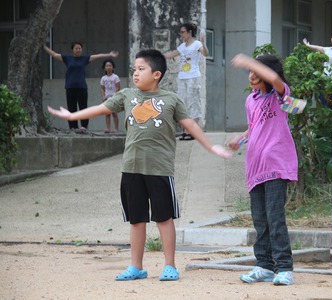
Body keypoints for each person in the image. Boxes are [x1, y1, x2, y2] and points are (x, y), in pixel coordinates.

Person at [47, 49, 232, 282]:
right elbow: (100, 109)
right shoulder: (126, 95)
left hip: (160, 169)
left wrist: (211, 146)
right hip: (131, 167)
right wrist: (73, 116)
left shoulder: (171, 100)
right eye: (134, 69)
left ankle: (170, 266)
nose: (135, 73)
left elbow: (192, 127)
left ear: (156, 74)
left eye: (141, 69)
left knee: (164, 218)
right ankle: (136, 267)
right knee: (136, 219)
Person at [227, 53, 298, 286]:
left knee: (275, 217)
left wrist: (250, 61)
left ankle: (284, 267)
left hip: (277, 166)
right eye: (250, 72)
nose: (252, 76)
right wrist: (241, 138)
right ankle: (264, 265)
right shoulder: (251, 100)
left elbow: (276, 81)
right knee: (260, 220)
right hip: (255, 168)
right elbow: (253, 126)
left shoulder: (280, 95)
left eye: (257, 72)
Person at [43, 42, 119, 132]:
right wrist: (44, 47)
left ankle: (84, 127)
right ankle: (73, 127)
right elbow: (55, 55)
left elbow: (97, 56)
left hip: (82, 87)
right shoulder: (68, 58)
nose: (78, 50)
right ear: (72, 50)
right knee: (72, 108)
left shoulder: (84, 59)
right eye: (76, 48)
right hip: (70, 87)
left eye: (80, 48)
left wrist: (109, 54)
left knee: (83, 107)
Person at [164, 22, 209, 141]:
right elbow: (173, 53)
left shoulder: (197, 44)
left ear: (190, 32)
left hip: (193, 77)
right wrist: (158, 55)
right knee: (183, 104)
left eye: (183, 32)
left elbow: (205, 53)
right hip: (182, 77)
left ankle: (193, 131)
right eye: (180, 32)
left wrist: (204, 43)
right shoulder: (183, 46)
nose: (181, 34)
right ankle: (186, 131)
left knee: (193, 103)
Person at [100, 58, 120, 134]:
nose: (108, 67)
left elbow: (118, 87)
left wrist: (116, 95)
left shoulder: (115, 77)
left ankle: (116, 129)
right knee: (107, 113)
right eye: (107, 66)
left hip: (114, 98)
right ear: (104, 68)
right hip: (107, 98)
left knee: (114, 113)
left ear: (113, 67)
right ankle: (108, 128)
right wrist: (103, 96)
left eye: (110, 65)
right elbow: (102, 88)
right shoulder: (103, 78)